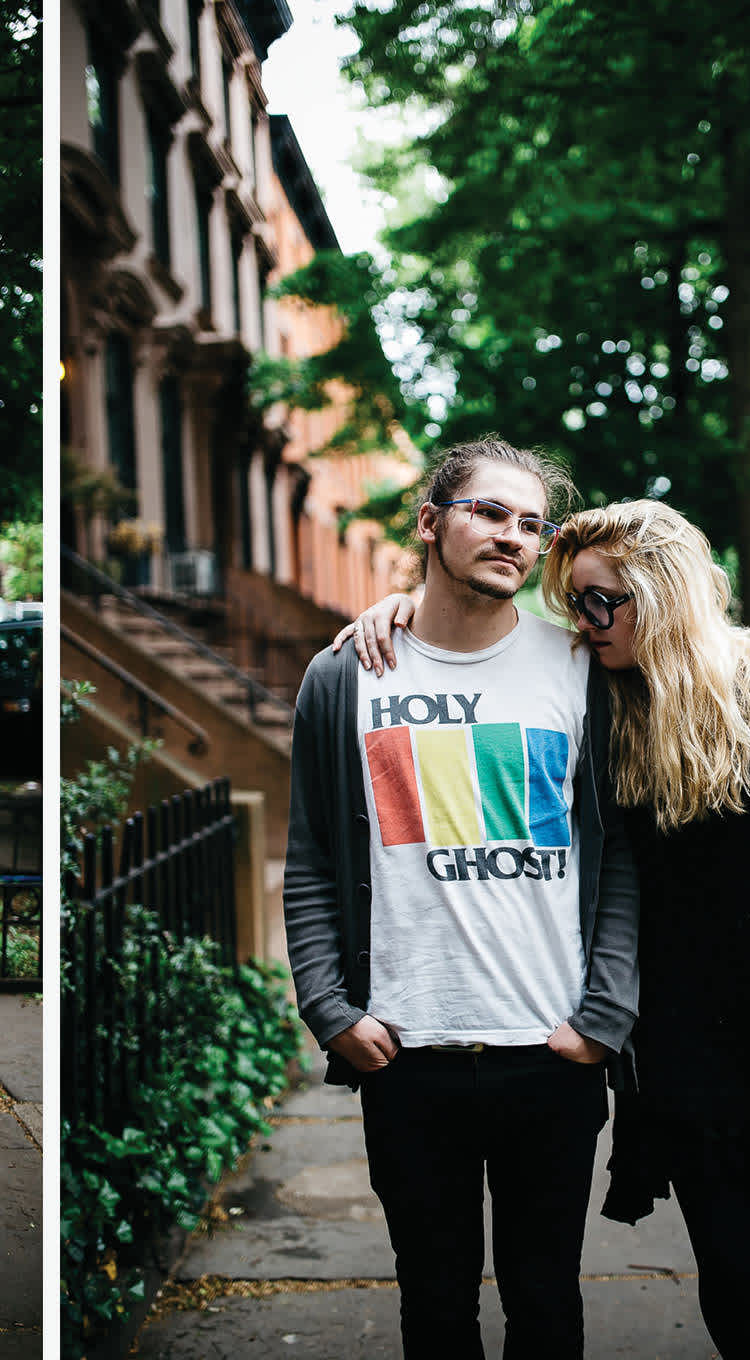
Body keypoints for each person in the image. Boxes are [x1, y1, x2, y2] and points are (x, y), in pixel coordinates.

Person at [340, 498, 750, 1359]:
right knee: (732, 1275)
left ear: (666, 593)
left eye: (606, 601)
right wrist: (398, 611)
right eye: (577, 601)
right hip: (679, 1057)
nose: (586, 621)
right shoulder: (610, 694)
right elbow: (484, 651)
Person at [284, 438, 641, 1359]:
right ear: (431, 522)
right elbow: (314, 857)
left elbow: (625, 856)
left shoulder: (583, 671)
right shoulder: (344, 677)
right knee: (434, 1307)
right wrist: (330, 1010)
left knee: (546, 1304)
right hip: (405, 1053)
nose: (514, 537)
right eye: (489, 512)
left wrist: (603, 1015)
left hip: (551, 1053)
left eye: (532, 524)